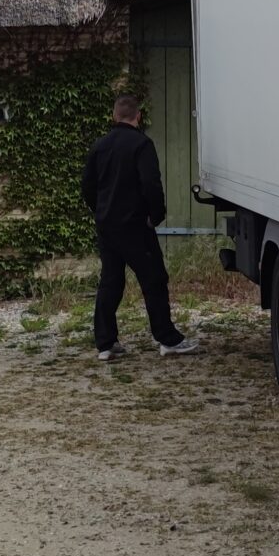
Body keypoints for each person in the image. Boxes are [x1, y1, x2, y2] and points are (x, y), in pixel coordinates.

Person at [80, 95, 195, 362]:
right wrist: (155, 216)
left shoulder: (100, 146)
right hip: (135, 226)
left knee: (111, 281)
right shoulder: (141, 145)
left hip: (107, 227)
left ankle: (106, 344)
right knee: (154, 280)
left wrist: (100, 211)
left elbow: (87, 185)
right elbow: (151, 184)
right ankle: (167, 339)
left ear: (114, 116)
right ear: (138, 116)